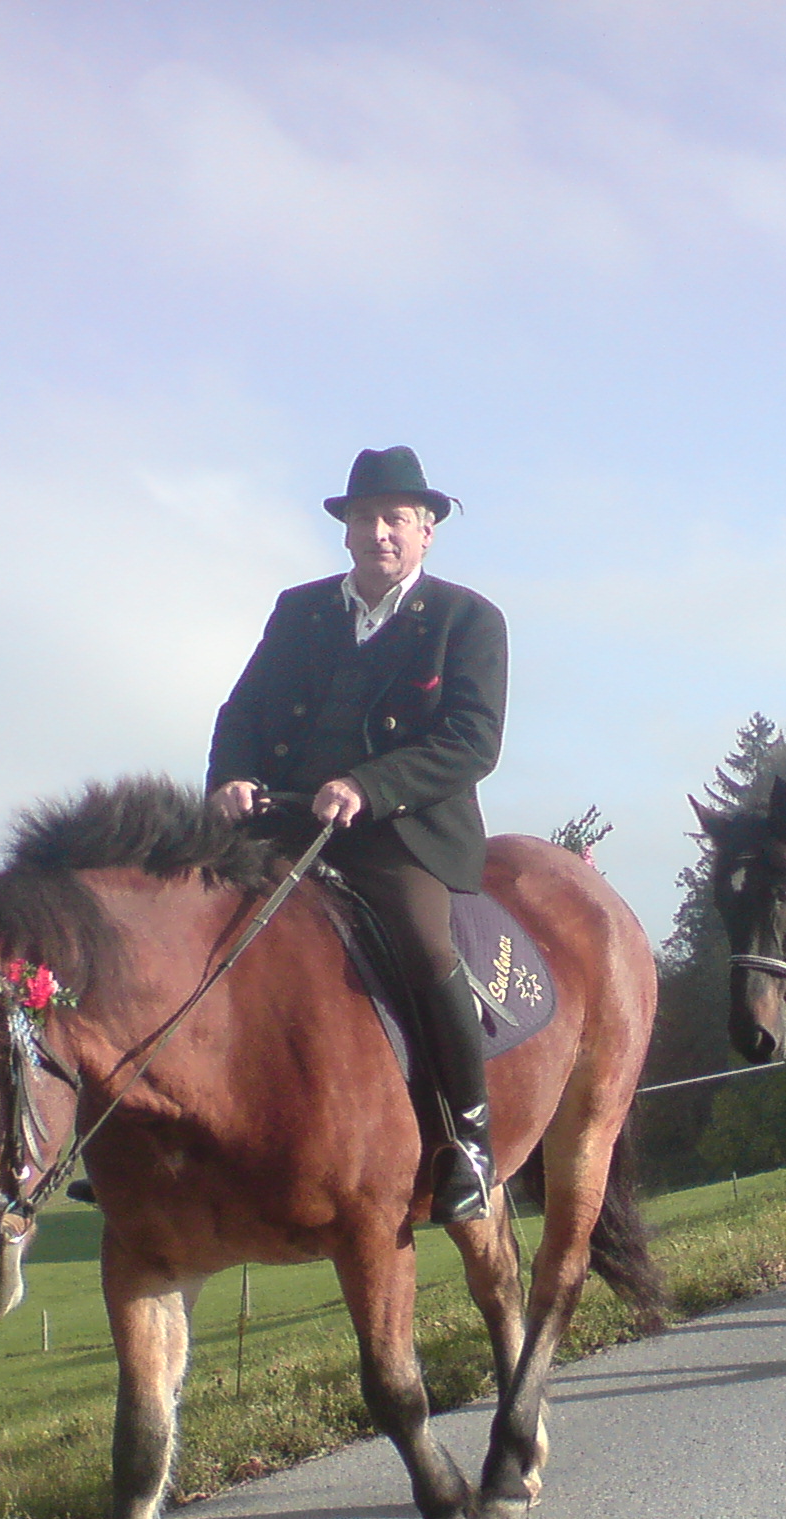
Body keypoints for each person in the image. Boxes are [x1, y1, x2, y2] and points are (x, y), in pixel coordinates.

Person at [206, 447, 506, 1223]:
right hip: (280, 819)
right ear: (345, 530)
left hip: (400, 835)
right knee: (188, 921)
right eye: (365, 517)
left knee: (424, 943)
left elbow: (473, 743)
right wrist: (230, 778)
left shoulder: (469, 620)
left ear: (427, 530)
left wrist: (369, 787)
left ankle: (470, 1139)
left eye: (396, 519)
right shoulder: (297, 611)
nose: (379, 532)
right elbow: (241, 713)